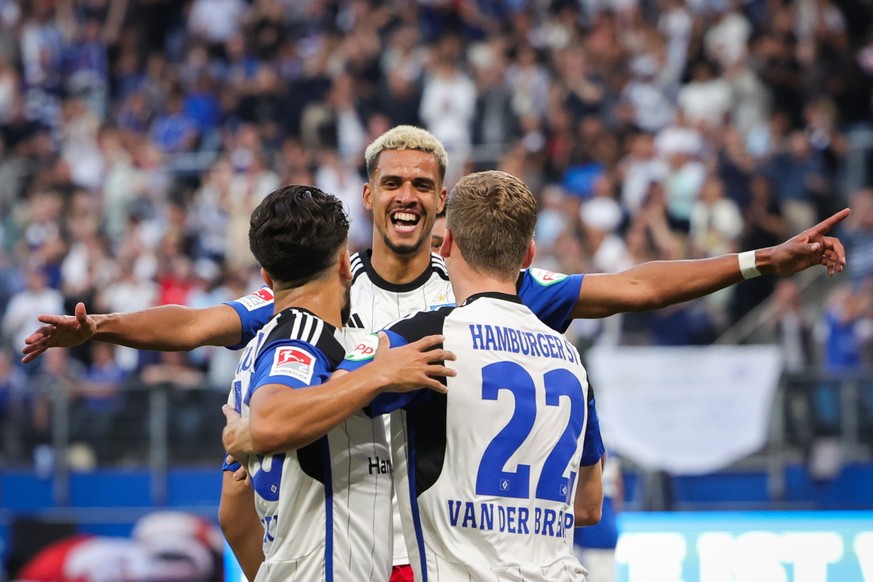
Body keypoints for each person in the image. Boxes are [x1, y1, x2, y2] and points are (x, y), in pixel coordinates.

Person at [21, 126, 850, 575]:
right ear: (370, 194)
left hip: (447, 545)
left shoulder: (489, 285)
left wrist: (760, 259)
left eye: (423, 185)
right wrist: (103, 329)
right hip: (345, 541)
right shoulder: (327, 285)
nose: (408, 196)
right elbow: (205, 321)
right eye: (394, 183)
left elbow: (633, 286)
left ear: (440, 204)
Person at [335, 171, 605, 580]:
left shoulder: (430, 336)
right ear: (528, 255)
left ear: (446, 244)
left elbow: (328, 395)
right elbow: (587, 505)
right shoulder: (570, 358)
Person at [216, 184, 455, 581]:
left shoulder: (257, 353)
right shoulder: (305, 334)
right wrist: (380, 374)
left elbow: (233, 515)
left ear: (266, 276)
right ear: (346, 264)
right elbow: (272, 421)